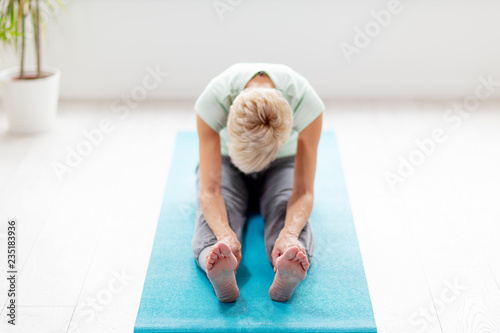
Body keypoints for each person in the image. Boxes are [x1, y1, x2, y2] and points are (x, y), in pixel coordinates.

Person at [192, 63, 324, 302]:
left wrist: (289, 232)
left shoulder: (307, 103)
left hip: (281, 162)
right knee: (221, 206)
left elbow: (303, 192)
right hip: (227, 159)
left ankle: (290, 255)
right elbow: (210, 191)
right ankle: (215, 259)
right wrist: (224, 235)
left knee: (283, 203)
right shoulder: (212, 100)